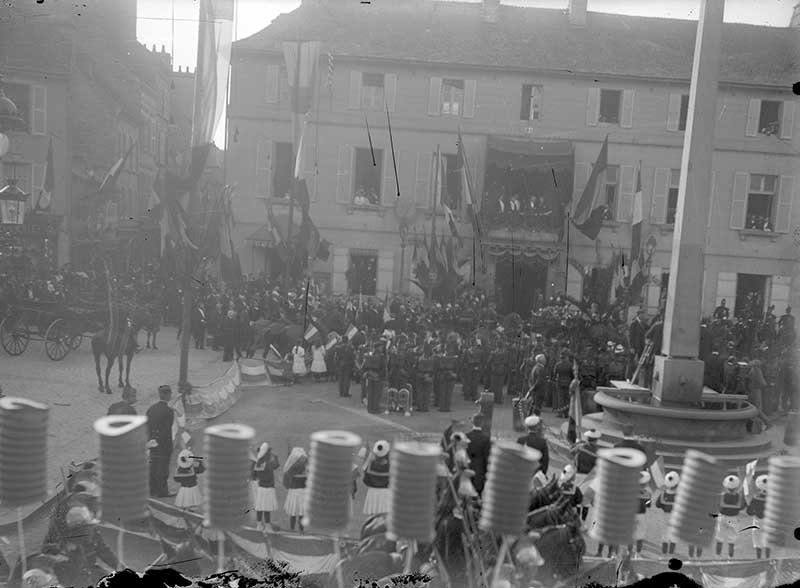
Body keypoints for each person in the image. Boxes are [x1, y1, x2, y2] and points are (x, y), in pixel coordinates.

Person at [146, 385, 175, 497]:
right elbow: (167, 429)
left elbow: (147, 426)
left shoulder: (151, 409)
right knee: (163, 468)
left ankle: (151, 489)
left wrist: (151, 439)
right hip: (164, 444)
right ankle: (162, 491)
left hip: (152, 442)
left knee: (153, 466)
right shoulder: (168, 411)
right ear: (167, 395)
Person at [715, 475, 744, 559]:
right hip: (733, 518)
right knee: (732, 540)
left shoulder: (723, 495)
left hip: (723, 517)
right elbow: (739, 506)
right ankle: (730, 558)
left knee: (719, 538)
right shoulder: (738, 496)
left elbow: (720, 505)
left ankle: (717, 557)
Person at [253, 442, 280, 531]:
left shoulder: (258, 463)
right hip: (268, 488)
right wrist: (275, 456)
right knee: (267, 508)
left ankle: (259, 525)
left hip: (261, 488)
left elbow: (254, 475)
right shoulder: (268, 464)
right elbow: (277, 464)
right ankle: (268, 526)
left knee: (260, 507)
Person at [282, 447, 308, 532]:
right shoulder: (304, 464)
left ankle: (293, 529)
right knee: (301, 512)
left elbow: (287, 478)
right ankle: (301, 530)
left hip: (294, 490)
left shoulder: (290, 466)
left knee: (294, 512)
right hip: (302, 491)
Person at [466, 414, 492, 496]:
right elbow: (487, 456)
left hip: (468, 465)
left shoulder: (466, 436)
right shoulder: (486, 438)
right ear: (482, 423)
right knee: (478, 492)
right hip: (480, 468)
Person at [363, 441, 391, 515]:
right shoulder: (391, 466)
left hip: (372, 493)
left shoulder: (369, 464)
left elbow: (365, 481)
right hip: (386, 494)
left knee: (371, 518)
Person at [656, 471, 680, 556]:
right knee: (673, 536)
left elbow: (657, 505)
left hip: (665, 516)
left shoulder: (663, 494)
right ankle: (671, 555)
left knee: (664, 535)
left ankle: (664, 554)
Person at [747, 474, 769, 559]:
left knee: (757, 542)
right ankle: (768, 559)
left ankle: (758, 559)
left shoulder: (755, 498)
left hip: (757, 521)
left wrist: (754, 512)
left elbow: (749, 511)